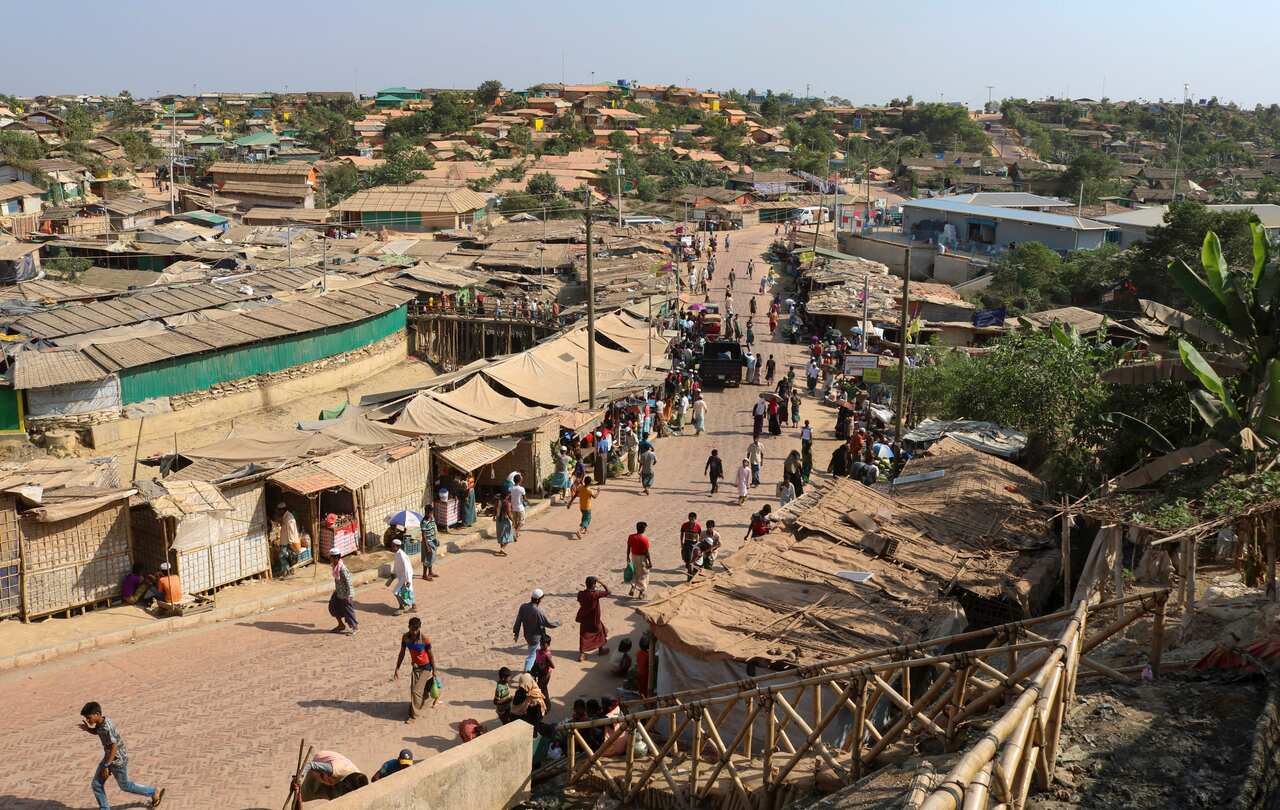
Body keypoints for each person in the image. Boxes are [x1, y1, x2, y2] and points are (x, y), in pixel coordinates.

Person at [80, 702, 163, 809]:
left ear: (97, 714)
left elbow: (114, 747)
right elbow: (98, 731)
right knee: (96, 784)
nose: (87, 720)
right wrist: (88, 729)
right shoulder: (101, 722)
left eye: (88, 717)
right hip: (109, 758)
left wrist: (106, 766)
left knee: (125, 786)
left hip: (117, 760)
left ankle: (153, 791)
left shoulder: (107, 727)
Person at [393, 616, 437, 722]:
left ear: (420, 628)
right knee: (416, 690)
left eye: (416, 629)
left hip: (426, 667)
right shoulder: (405, 638)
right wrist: (397, 668)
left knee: (416, 691)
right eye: (412, 629)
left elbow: (431, 656)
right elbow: (402, 653)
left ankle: (414, 716)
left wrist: (434, 670)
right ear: (409, 627)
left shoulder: (425, 639)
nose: (414, 631)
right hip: (415, 667)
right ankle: (426, 701)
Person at [514, 589, 559, 672]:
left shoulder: (523, 606)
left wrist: (516, 632)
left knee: (535, 653)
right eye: (542, 599)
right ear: (538, 599)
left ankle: (534, 669)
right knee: (532, 656)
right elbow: (547, 623)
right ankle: (527, 672)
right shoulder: (538, 611)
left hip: (527, 635)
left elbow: (518, 620)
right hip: (536, 637)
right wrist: (557, 624)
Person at [296, 751, 368, 800]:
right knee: (303, 796)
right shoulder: (335, 770)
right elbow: (310, 765)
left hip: (334, 775)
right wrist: (299, 777)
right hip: (319, 764)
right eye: (346, 788)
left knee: (336, 796)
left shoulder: (359, 779)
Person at [575, 576, 611, 662]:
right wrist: (601, 582)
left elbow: (580, 600)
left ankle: (582, 654)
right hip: (594, 618)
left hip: (584, 618)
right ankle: (601, 650)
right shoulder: (595, 594)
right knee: (600, 632)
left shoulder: (581, 593)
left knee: (584, 635)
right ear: (594, 585)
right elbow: (608, 592)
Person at [328, 550, 357, 634]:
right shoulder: (335, 566)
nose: (330, 559)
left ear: (336, 558)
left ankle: (355, 627)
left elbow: (349, 582)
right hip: (338, 592)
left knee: (348, 611)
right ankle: (341, 625)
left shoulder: (342, 569)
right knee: (333, 607)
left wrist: (349, 595)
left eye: (332, 557)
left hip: (345, 594)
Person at [387, 536, 415, 614]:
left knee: (398, 592)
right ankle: (409, 606)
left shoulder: (402, 555)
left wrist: (408, 580)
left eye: (393, 546)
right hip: (402, 577)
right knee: (406, 592)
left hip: (405, 577)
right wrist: (393, 574)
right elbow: (396, 565)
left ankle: (403, 606)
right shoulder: (397, 554)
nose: (391, 547)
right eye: (391, 546)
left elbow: (407, 568)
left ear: (398, 546)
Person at [626, 522, 653, 599]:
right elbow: (647, 552)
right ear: (643, 529)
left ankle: (633, 587)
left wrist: (627, 556)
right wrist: (650, 562)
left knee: (635, 572)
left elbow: (628, 547)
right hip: (642, 558)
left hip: (634, 557)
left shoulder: (631, 537)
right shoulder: (644, 539)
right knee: (643, 575)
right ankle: (641, 593)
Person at [568, 474, 598, 538]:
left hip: (581, 507)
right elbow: (595, 496)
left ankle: (585, 530)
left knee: (584, 518)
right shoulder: (589, 490)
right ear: (590, 483)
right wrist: (598, 491)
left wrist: (570, 503)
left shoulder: (580, 487)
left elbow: (575, 495)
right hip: (587, 508)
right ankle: (580, 530)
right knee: (587, 519)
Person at [679, 512, 703, 581]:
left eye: (693, 519)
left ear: (695, 519)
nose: (691, 520)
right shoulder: (684, 525)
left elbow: (700, 536)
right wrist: (681, 543)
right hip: (687, 546)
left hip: (694, 546)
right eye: (690, 518)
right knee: (687, 561)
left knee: (694, 561)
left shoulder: (698, 527)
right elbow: (682, 533)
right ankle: (690, 577)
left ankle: (692, 578)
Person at [420, 512, 439, 581]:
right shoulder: (423, 522)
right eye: (429, 513)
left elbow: (434, 529)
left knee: (431, 557)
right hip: (427, 542)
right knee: (426, 558)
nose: (430, 514)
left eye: (431, 513)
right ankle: (424, 575)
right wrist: (427, 546)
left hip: (432, 540)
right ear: (426, 512)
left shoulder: (432, 518)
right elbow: (423, 535)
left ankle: (430, 572)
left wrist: (436, 539)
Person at [495, 488, 514, 556]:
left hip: (498, 519)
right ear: (507, 495)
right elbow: (509, 514)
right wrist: (513, 521)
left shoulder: (498, 500)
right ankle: (503, 549)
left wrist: (494, 516)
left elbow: (495, 508)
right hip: (504, 520)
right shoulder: (507, 503)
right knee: (508, 535)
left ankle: (502, 548)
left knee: (500, 535)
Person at [509, 473, 528, 542]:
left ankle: (516, 533)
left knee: (515, 522)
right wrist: (527, 502)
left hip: (513, 508)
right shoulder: (521, 489)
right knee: (522, 522)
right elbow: (524, 498)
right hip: (520, 508)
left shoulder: (510, 488)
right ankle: (516, 532)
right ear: (520, 481)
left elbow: (510, 498)